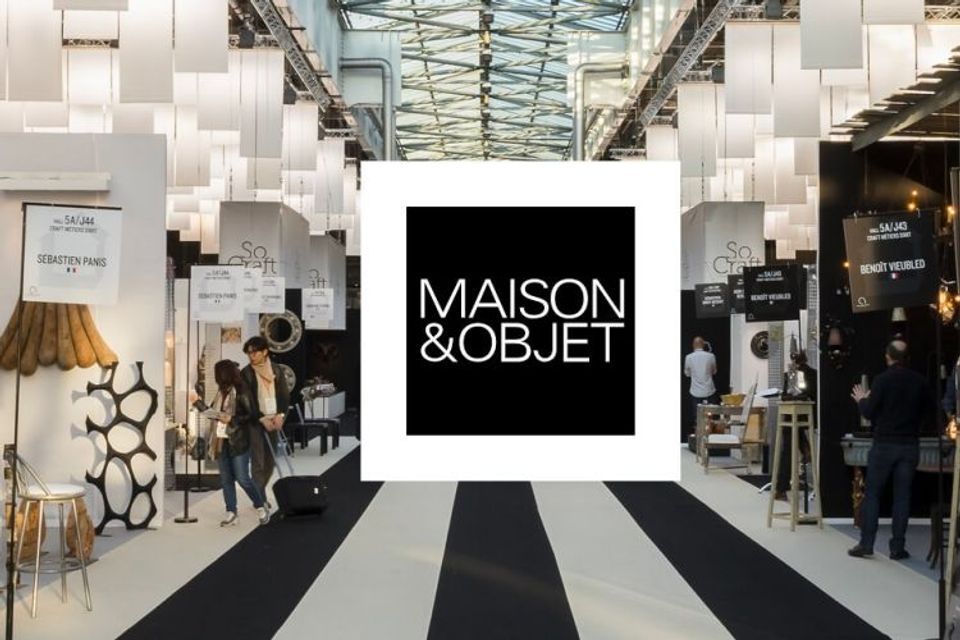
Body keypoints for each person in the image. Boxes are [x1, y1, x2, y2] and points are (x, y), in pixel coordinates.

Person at [848, 340, 930, 560]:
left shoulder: (882, 380)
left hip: (884, 444)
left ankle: (866, 544)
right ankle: (897, 548)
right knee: (902, 497)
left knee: (873, 494)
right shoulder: (920, 381)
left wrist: (862, 400)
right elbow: (928, 412)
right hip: (909, 445)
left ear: (888, 356)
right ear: (907, 358)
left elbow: (869, 412)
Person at [197, 360, 270, 526]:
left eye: (217, 374)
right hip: (220, 440)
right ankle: (231, 512)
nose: (216, 377)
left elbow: (253, 415)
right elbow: (213, 413)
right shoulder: (221, 392)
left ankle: (260, 506)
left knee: (243, 478)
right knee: (226, 479)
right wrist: (197, 403)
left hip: (238, 441)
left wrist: (231, 419)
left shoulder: (242, 391)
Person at [241, 336, 290, 504]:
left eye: (255, 352)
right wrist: (261, 418)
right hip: (256, 422)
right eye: (249, 353)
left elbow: (284, 394)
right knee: (258, 462)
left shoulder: (276, 369)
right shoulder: (246, 373)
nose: (251, 356)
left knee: (270, 462)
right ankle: (260, 499)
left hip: (274, 419)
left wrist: (281, 415)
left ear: (265, 352)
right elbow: (246, 400)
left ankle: (259, 492)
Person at [775, 352, 818, 500]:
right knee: (790, 444)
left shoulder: (799, 374)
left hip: (797, 414)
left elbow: (789, 395)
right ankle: (805, 448)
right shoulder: (812, 374)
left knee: (787, 450)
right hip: (803, 415)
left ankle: (781, 488)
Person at [684, 336, 718, 428]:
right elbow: (714, 371)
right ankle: (710, 433)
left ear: (693, 345)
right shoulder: (711, 356)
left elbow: (687, 374)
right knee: (711, 417)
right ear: (703, 345)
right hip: (709, 390)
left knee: (697, 417)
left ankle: (698, 433)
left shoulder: (688, 357)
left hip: (695, 392)